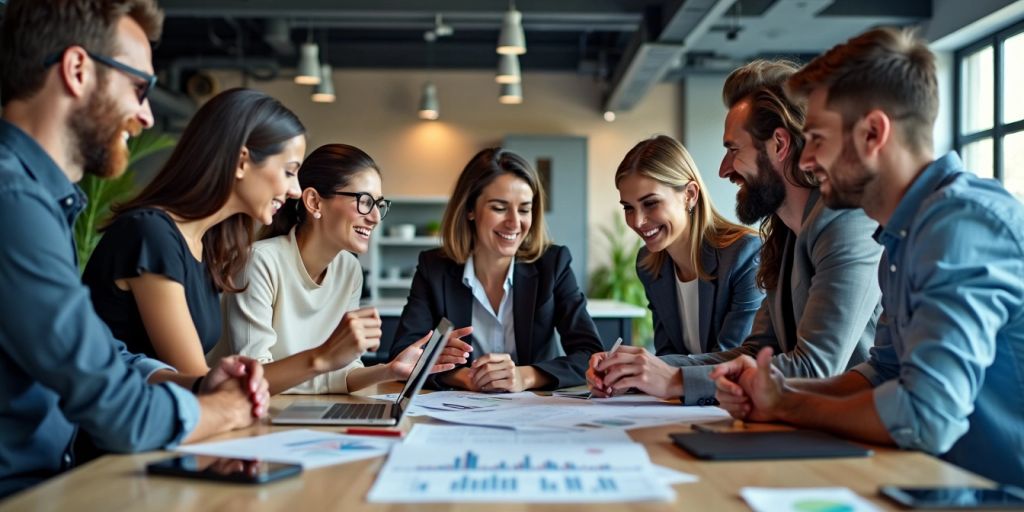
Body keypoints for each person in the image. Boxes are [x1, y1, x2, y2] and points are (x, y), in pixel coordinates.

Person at [712, 28, 1024, 486]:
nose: (808, 161)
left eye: (816, 138)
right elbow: (881, 373)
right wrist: (774, 390)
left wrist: (787, 404)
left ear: (873, 133)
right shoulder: (903, 233)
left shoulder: (960, 226)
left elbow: (925, 415)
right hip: (935, 483)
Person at [0, 0, 267, 498]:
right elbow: (120, 413)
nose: (146, 116)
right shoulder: (13, 201)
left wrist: (192, 385)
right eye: (139, 88)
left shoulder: (39, 198)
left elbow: (98, 350)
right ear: (77, 70)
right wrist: (224, 409)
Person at [590, 60, 883, 405]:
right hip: (801, 425)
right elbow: (756, 352)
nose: (723, 169)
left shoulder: (846, 223)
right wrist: (639, 370)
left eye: (732, 150)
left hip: (856, 435)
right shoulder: (783, 235)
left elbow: (816, 368)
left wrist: (673, 380)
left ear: (779, 144)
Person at [82, 87, 306, 376]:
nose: (296, 190)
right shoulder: (151, 234)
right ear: (241, 162)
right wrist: (320, 359)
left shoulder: (207, 244)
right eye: (289, 171)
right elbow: (195, 380)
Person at [220, 144, 473, 395]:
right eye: (364, 201)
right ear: (314, 202)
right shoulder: (258, 262)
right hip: (243, 417)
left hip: (297, 414)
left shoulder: (349, 269)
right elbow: (251, 379)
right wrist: (320, 361)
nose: (375, 217)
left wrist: (391, 369)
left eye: (379, 204)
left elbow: (344, 372)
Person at [389, 148, 604, 392]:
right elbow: (403, 356)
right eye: (500, 208)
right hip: (459, 415)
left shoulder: (553, 264)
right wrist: (464, 378)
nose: (514, 223)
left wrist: (526, 377)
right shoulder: (434, 268)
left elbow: (591, 355)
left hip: (534, 415)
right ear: (470, 209)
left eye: (524, 209)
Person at [585, 135, 763, 398]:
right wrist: (623, 374)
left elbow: (733, 362)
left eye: (650, 203)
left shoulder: (745, 255)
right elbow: (670, 355)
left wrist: (644, 367)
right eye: (628, 208)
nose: (638, 221)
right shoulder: (649, 265)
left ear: (689, 195)